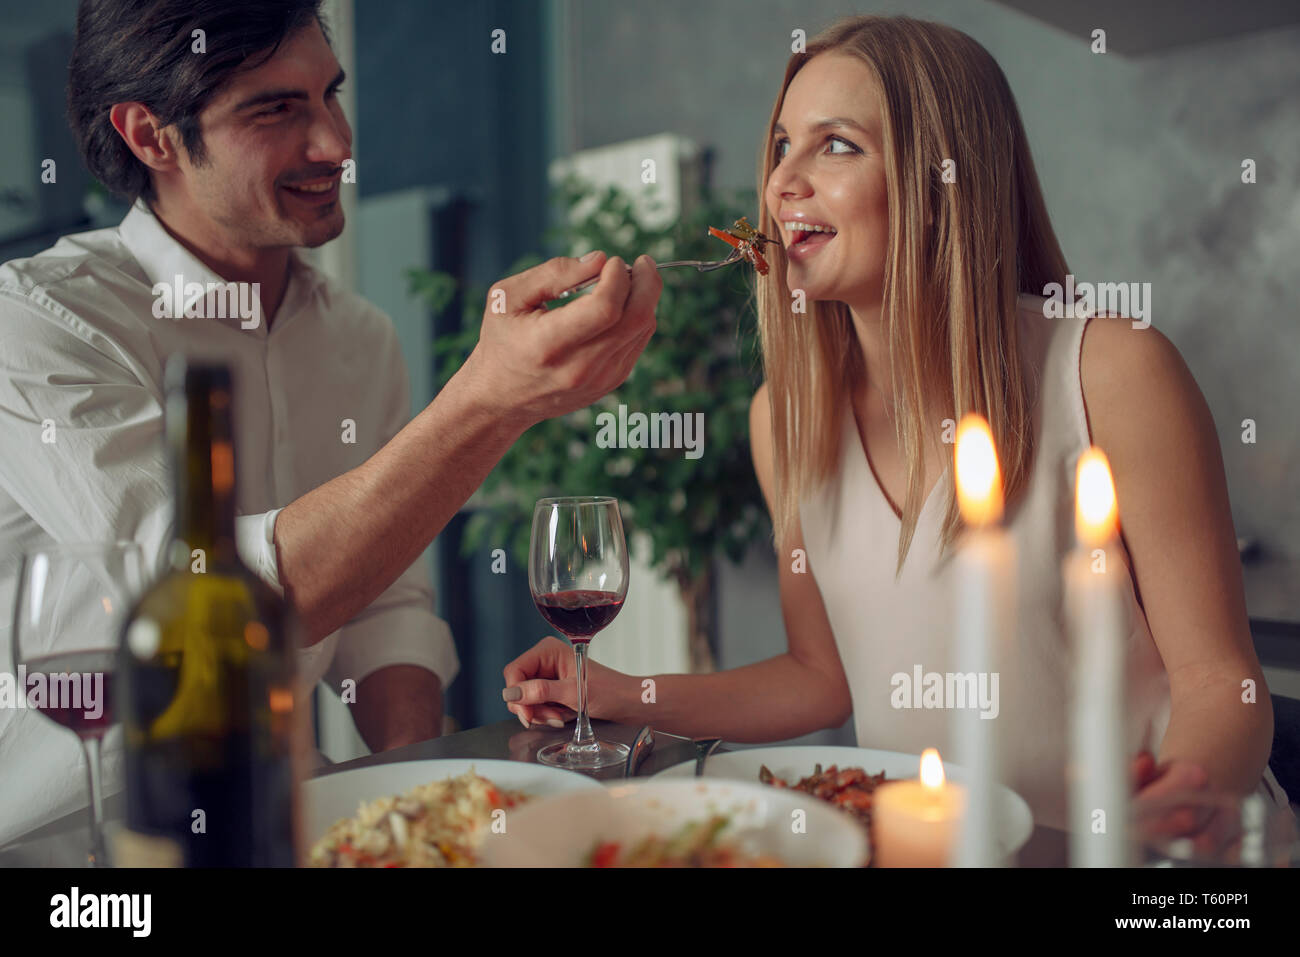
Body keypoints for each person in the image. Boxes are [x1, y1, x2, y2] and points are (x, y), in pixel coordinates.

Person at [503, 15, 1289, 832]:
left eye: (836, 145)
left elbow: (1219, 683)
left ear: (942, 178)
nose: (780, 184)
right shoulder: (784, 418)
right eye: (780, 146)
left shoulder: (1113, 370)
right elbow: (822, 675)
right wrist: (627, 693)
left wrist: (1172, 803)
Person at [0, 0, 660, 846]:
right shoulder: (43, 323)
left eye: (329, 96)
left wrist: (430, 808)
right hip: (69, 841)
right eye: (275, 110)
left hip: (287, 821)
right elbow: (213, 597)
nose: (335, 144)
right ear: (150, 136)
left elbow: (386, 606)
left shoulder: (358, 337)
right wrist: (492, 399)